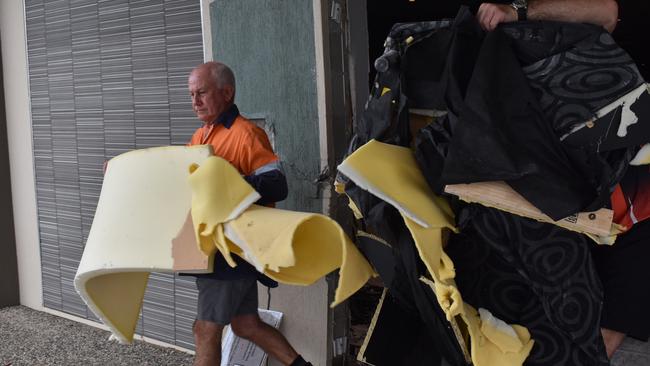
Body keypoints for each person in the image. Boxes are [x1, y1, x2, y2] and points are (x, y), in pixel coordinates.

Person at [474, 0, 650, 360]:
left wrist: (518, 12)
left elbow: (607, 12)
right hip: (595, 176)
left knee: (610, 315)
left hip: (627, 177)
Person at [187, 61, 312, 366]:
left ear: (226, 92)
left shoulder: (246, 134)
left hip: (232, 251)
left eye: (201, 93)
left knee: (205, 329)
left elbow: (276, 184)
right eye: (191, 94)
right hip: (217, 250)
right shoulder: (200, 137)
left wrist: (231, 183)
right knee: (246, 325)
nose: (195, 102)